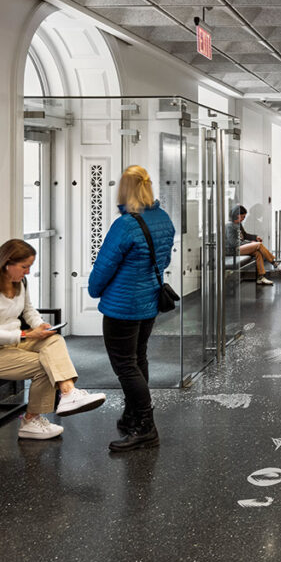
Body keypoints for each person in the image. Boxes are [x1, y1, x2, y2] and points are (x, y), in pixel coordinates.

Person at [0, 239, 106, 440]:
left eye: (30, 267)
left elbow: (28, 310)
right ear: (6, 263)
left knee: (54, 341)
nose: (27, 272)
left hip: (9, 343)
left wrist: (40, 325)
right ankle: (30, 421)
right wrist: (27, 335)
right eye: (24, 267)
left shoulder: (19, 283)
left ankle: (68, 393)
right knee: (43, 365)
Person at [88, 165, 175, 452]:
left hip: (122, 306)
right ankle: (133, 416)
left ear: (124, 190)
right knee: (138, 359)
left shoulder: (125, 225)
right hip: (149, 302)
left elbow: (104, 266)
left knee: (125, 366)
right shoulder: (163, 219)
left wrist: (94, 290)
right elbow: (164, 261)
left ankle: (146, 427)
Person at [226, 205, 281, 286]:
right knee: (258, 245)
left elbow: (245, 235)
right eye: (243, 216)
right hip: (233, 250)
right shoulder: (229, 226)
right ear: (237, 215)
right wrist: (250, 243)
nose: (244, 218)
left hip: (240, 247)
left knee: (257, 253)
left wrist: (255, 237)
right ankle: (276, 264)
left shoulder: (239, 225)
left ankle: (261, 277)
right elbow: (233, 243)